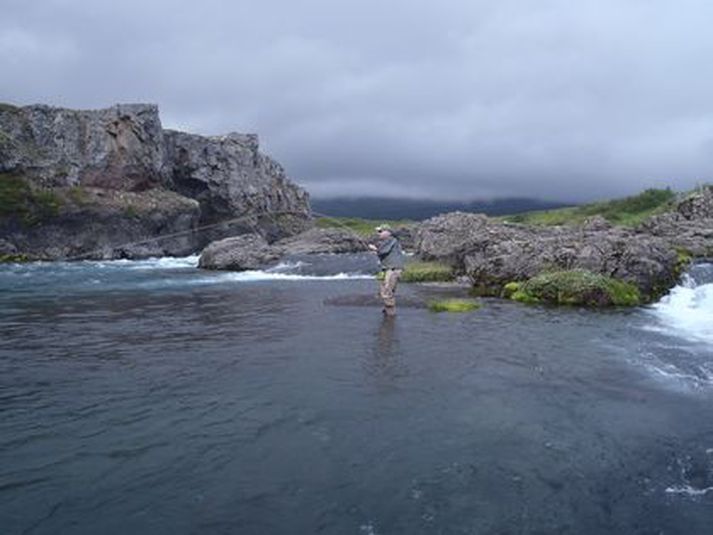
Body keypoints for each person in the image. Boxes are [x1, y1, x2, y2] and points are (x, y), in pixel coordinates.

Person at [368, 225, 405, 316]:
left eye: (380, 231)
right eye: (378, 231)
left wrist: (374, 249)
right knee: (385, 289)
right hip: (388, 269)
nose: (378, 233)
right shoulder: (388, 241)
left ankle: (390, 314)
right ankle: (387, 311)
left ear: (388, 232)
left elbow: (382, 251)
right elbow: (383, 253)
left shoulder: (391, 240)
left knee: (387, 291)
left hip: (392, 270)